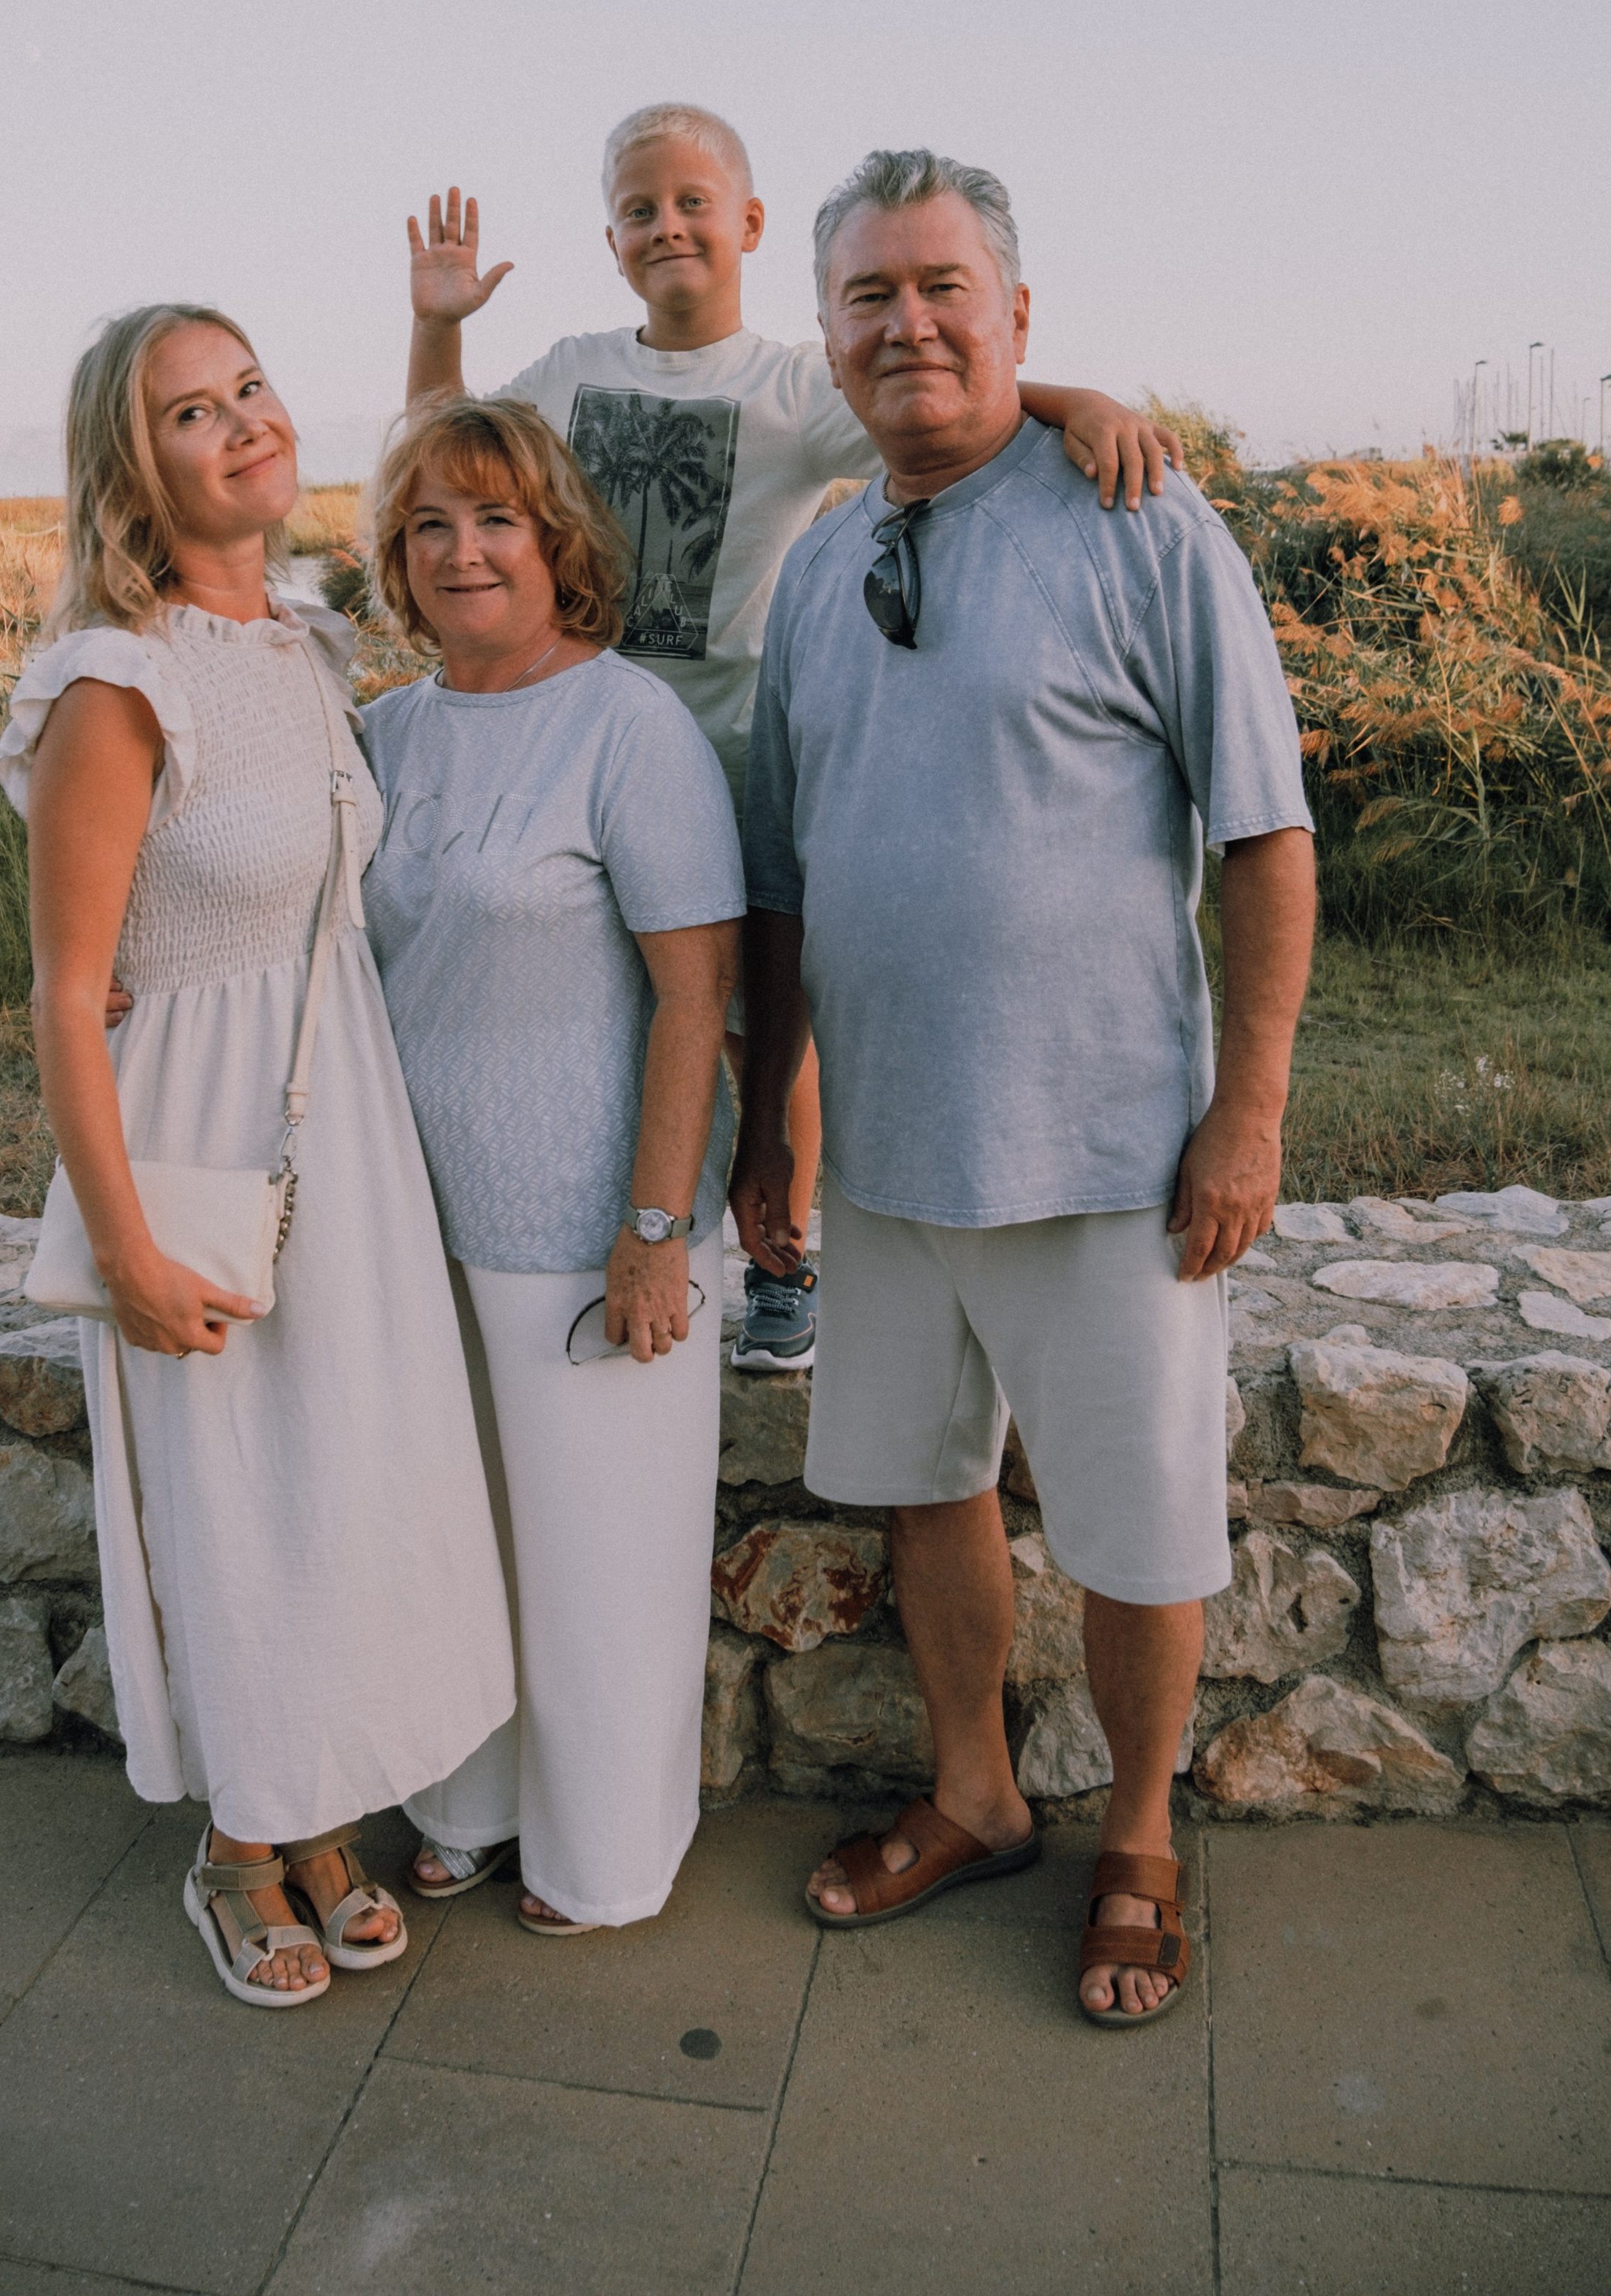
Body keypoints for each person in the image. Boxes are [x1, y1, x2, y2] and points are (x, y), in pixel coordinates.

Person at [731, 152, 1316, 2026]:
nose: (906, 324)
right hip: (890, 1152)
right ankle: (975, 1796)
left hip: (1108, 1147)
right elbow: (782, 881)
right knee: (924, 1488)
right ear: (824, 335)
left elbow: (1263, 836)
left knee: (1138, 1518)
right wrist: (769, 1124)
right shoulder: (823, 564)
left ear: (1017, 312)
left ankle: (1137, 1836)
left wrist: (1246, 1112)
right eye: (866, 297)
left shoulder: (1139, 518)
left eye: (940, 286)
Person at [403, 105, 1182, 1372]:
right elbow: (446, 456)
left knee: (762, 1020)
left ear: (750, 225)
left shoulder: (786, 387)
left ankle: (782, 1263)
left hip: (729, 756)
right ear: (611, 240)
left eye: (693, 204)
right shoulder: (571, 371)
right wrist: (439, 326)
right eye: (641, 210)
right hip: (580, 748)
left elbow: (926, 393)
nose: (669, 227)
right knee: (621, 1009)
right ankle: (621, 1219)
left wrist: (1070, 397)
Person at [0, 305, 514, 2010]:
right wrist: (127, 1244)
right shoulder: (114, 680)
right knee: (229, 1495)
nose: (239, 427)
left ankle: (310, 1808)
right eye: (188, 414)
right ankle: (237, 1846)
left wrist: (435, 329)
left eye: (250, 390)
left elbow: (449, 491)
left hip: (334, 1121)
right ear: (133, 469)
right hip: (190, 1139)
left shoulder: (305, 641)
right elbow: (69, 1001)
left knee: (336, 1478)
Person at [357, 393, 743, 1936]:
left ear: (557, 538)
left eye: (496, 517)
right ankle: (466, 1802)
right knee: (447, 1544)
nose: (463, 550)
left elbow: (696, 995)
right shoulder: (382, 730)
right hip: (410, 1227)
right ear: (397, 556)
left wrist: (652, 1228)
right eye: (429, 524)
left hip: (591, 1225)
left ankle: (601, 1856)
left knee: (600, 1569)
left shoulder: (627, 723)